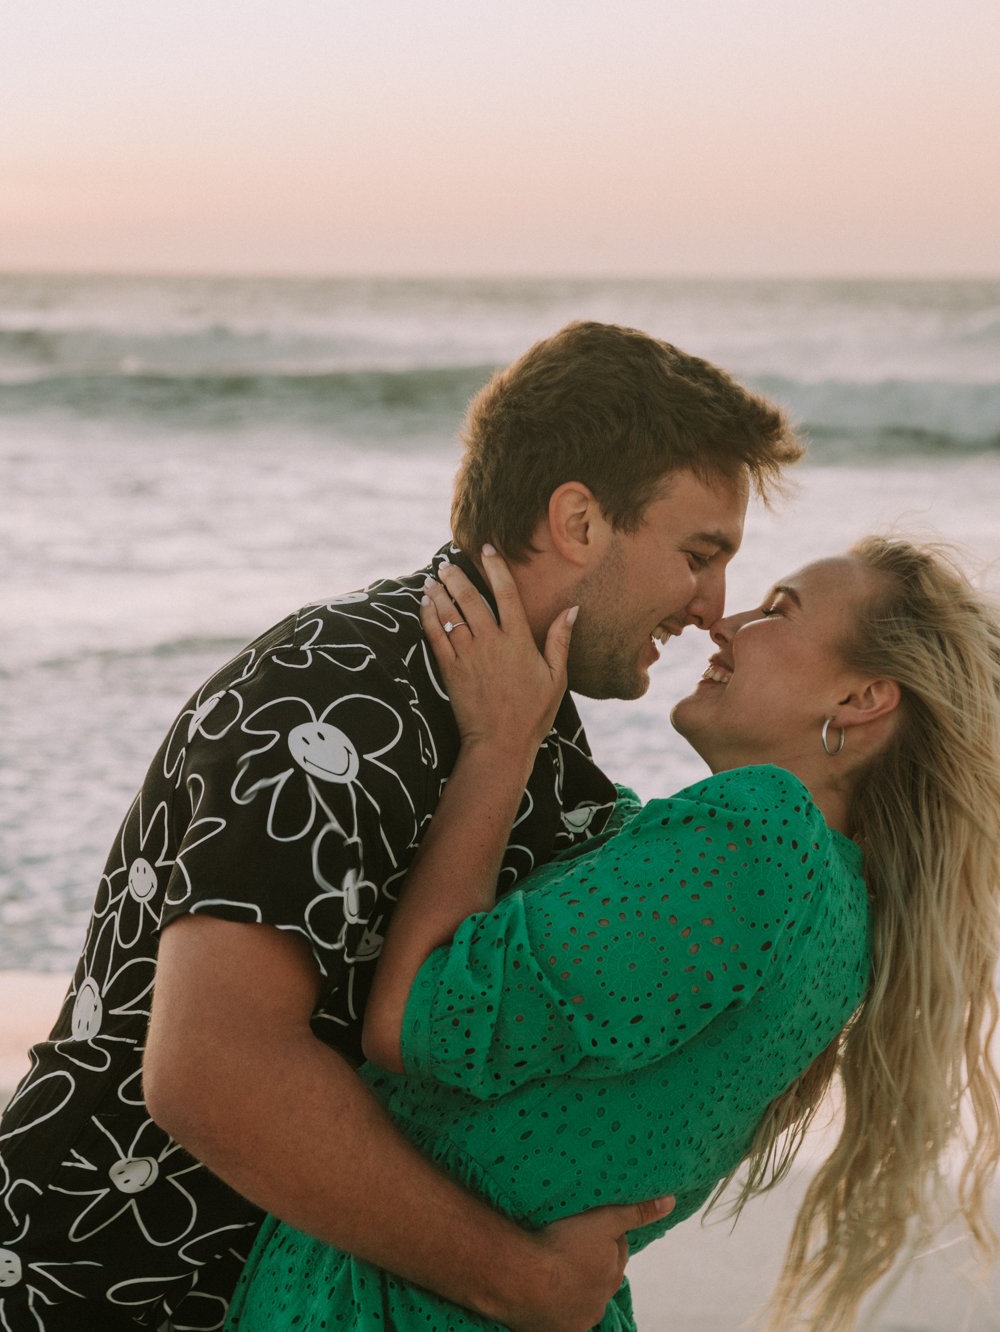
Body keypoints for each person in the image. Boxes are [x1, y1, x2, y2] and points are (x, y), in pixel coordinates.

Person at [0, 322, 802, 1331]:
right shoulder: (339, 691)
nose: (711, 607)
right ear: (580, 522)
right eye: (698, 553)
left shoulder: (529, 733)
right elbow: (209, 1072)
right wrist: (518, 1279)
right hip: (115, 1292)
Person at [222, 537, 1000, 1332]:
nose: (723, 624)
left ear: (863, 699)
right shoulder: (843, 923)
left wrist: (501, 743)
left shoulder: (762, 837)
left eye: (777, 612)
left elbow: (418, 1019)